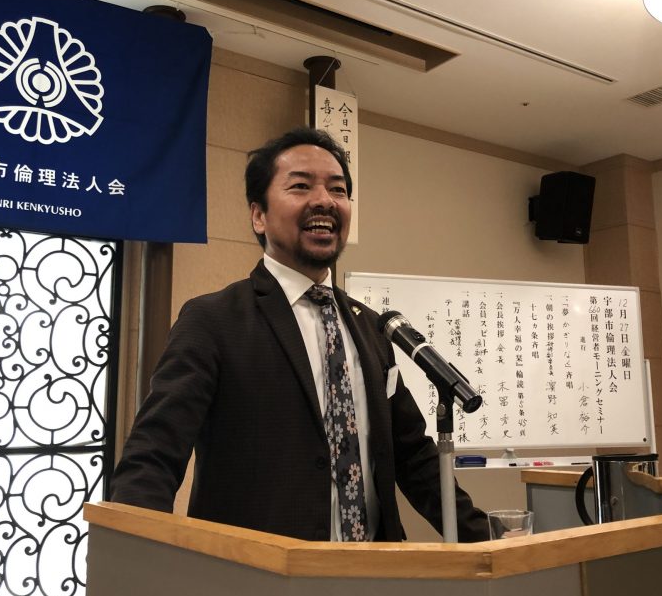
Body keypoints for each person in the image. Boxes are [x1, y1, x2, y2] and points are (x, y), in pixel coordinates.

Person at [110, 126, 489, 542]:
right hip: (258, 573)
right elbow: (155, 454)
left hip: (374, 570)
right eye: (301, 186)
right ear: (258, 215)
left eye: (338, 189)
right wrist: (135, 550)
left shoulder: (371, 328)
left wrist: (487, 538)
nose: (324, 200)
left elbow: (414, 456)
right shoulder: (213, 320)